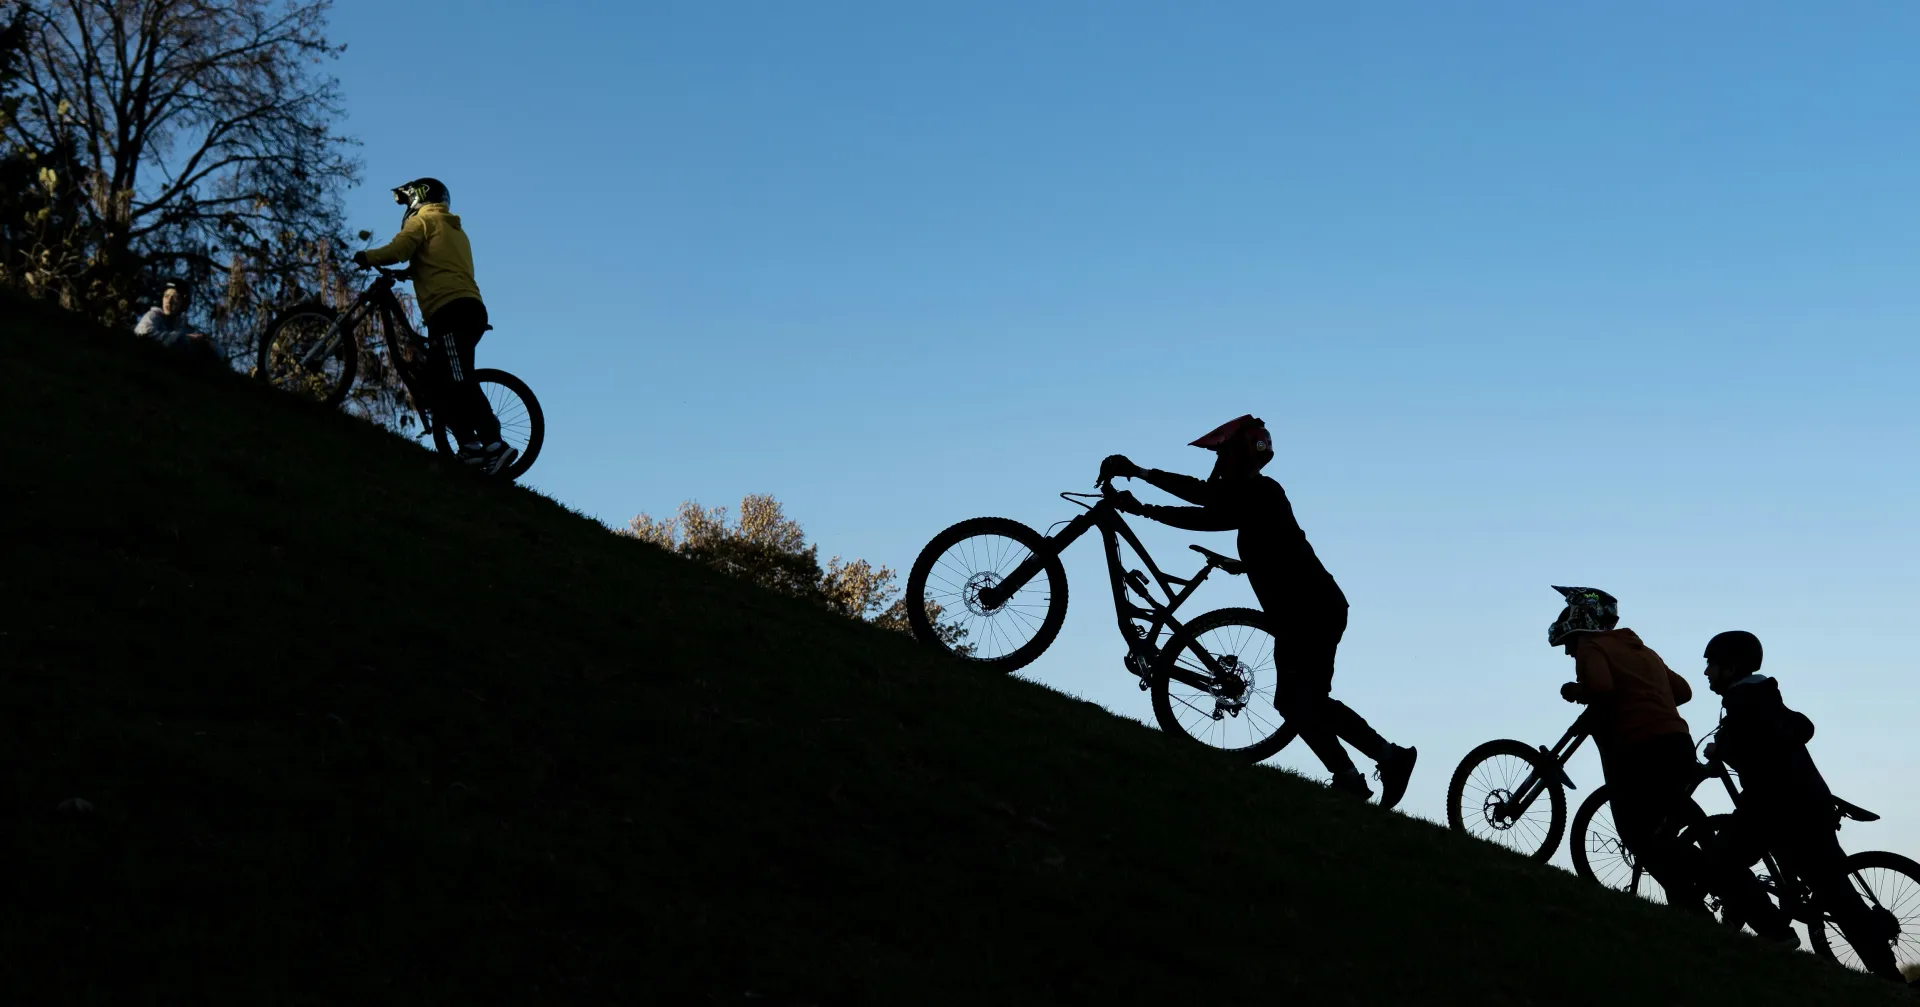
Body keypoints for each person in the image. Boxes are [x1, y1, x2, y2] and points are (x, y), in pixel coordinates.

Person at [1099, 415, 1418, 809]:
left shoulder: (1262, 493)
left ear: (1237, 456)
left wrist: (1143, 503)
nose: (1217, 465)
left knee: (1305, 701)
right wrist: (1141, 474)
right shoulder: (1248, 494)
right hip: (1302, 613)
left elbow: (1205, 512)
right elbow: (1205, 498)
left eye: (1223, 455)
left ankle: (1379, 763)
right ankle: (1365, 770)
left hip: (1312, 611)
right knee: (1300, 702)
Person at [1698, 630, 1907, 983]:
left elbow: (1756, 747)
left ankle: (1776, 931)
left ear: (1730, 668)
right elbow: (1799, 727)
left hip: (1775, 806)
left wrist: (1722, 750)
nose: (1706, 673)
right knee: (1838, 896)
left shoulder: (1746, 701)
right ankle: (1890, 977)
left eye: (1711, 665)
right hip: (1808, 802)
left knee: (1720, 862)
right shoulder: (1763, 695)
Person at [1552, 586, 1719, 919]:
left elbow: (1600, 688)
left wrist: (1576, 690)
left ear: (1577, 621)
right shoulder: (1642, 649)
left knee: (1636, 833)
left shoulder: (1591, 646)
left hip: (1642, 746)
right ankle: (1695, 902)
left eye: (1568, 647)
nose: (1570, 654)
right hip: (1677, 742)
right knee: (1661, 831)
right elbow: (1683, 691)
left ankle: (1712, 885)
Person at [352, 177, 515, 476]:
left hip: (449, 310)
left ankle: (495, 446)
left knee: (458, 377)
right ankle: (469, 448)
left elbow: (399, 249)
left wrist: (368, 256)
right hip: (466, 307)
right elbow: (437, 263)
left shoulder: (423, 222)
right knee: (438, 382)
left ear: (417, 198)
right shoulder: (453, 229)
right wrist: (406, 274)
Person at [134, 282, 225, 364]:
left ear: (184, 304)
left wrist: (205, 341)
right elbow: (143, 333)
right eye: (166, 296)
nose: (169, 301)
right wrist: (182, 338)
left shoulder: (182, 325)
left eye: (176, 297)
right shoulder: (153, 315)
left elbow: (220, 352)